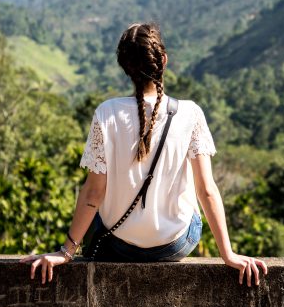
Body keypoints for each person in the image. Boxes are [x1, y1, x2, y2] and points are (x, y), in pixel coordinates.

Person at [20, 22, 268, 286]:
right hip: (174, 245)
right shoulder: (190, 113)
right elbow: (206, 190)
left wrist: (66, 252)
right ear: (163, 60)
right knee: (191, 206)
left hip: (118, 246)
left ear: (125, 66)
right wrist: (227, 254)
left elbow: (94, 192)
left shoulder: (107, 112)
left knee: (102, 216)